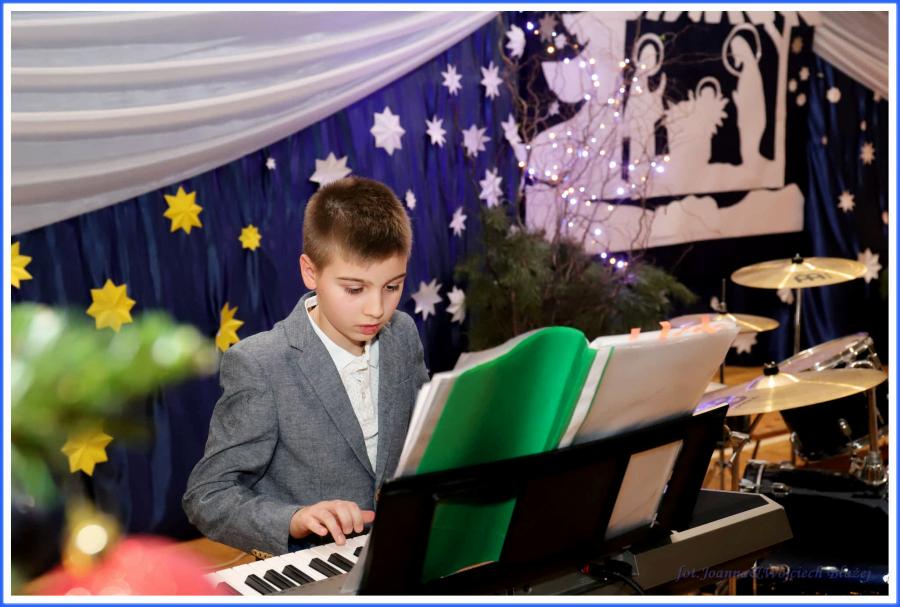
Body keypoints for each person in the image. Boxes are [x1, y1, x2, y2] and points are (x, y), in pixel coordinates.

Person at [183, 176, 429, 556]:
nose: (377, 309)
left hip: (399, 552)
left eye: (392, 287)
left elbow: (422, 441)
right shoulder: (260, 364)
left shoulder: (403, 333)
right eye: (354, 289)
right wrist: (293, 519)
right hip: (309, 566)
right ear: (310, 272)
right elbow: (206, 496)